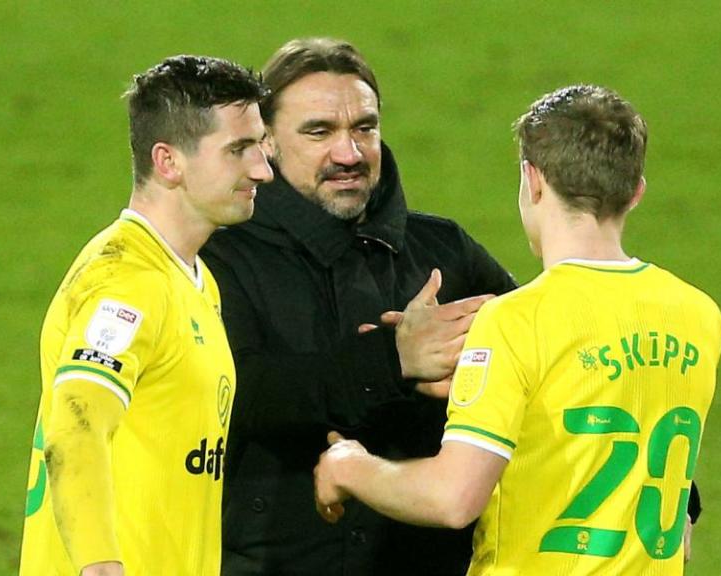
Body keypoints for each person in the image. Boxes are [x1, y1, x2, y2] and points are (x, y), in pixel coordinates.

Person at [314, 85, 721, 575]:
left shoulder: (514, 321)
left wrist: (348, 466)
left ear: (533, 181)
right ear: (636, 191)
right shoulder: (697, 314)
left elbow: (454, 498)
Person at [201, 38, 517, 576]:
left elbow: (554, 359)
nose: (349, 154)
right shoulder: (219, 258)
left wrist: (676, 493)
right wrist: (394, 360)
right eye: (319, 132)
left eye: (364, 128)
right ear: (267, 142)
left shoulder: (441, 250)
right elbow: (234, 392)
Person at [19, 55, 272, 576]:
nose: (262, 170)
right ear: (168, 162)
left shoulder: (195, 281)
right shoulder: (127, 282)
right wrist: (99, 565)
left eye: (261, 146)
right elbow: (76, 422)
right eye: (238, 150)